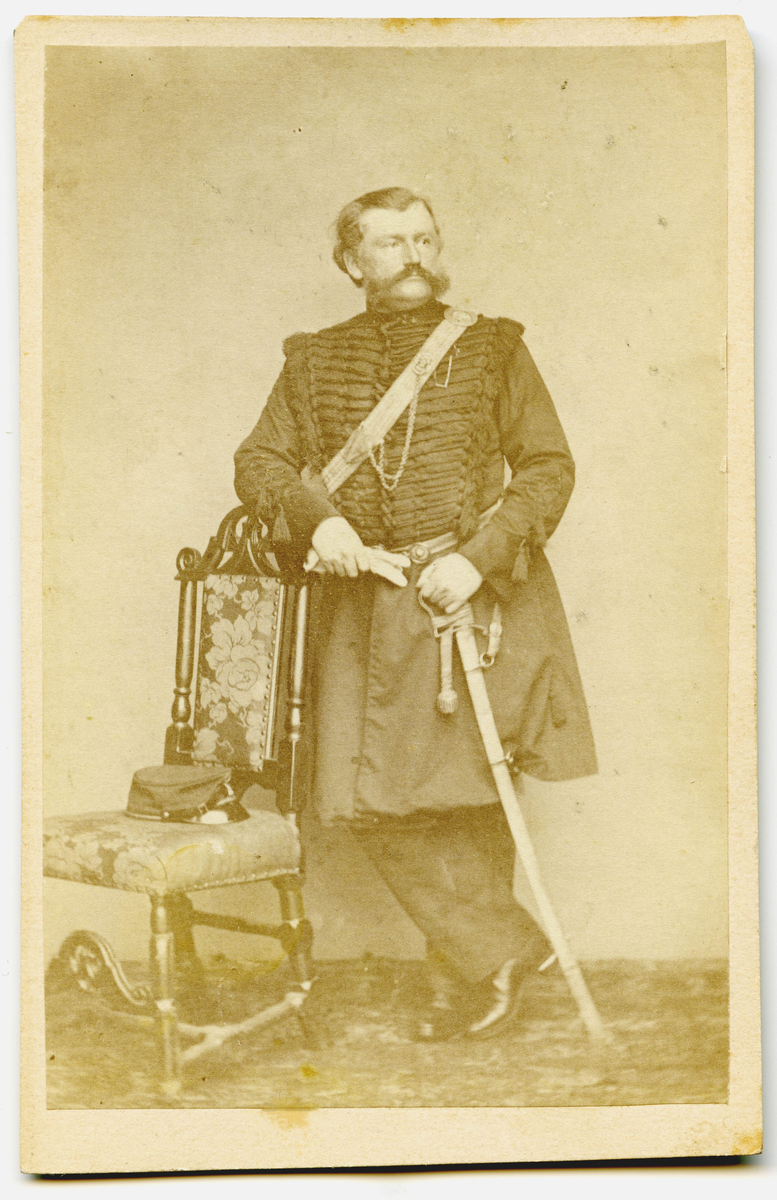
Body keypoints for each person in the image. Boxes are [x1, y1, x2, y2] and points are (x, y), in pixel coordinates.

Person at [234, 187, 597, 1040]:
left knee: (467, 792)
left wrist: (475, 560)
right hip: (362, 605)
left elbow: (547, 467)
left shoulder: (493, 348)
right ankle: (502, 950)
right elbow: (260, 461)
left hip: (467, 597)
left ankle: (460, 983)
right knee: (357, 795)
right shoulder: (313, 360)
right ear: (350, 262)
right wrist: (319, 522)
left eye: (425, 238)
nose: (413, 254)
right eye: (391, 241)